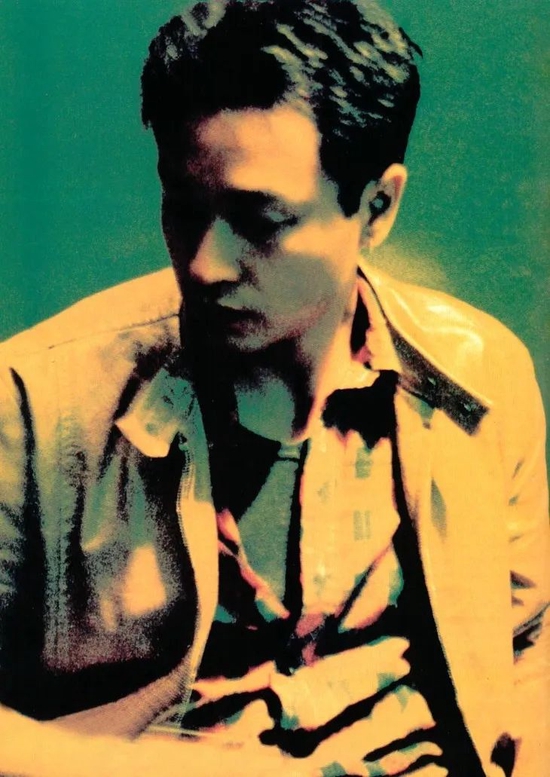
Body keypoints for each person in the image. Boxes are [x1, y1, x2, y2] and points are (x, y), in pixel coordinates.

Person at [0, 1, 547, 775]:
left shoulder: (480, 377)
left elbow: (529, 642)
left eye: (260, 221)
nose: (203, 265)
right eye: (183, 206)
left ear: (377, 208)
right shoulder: (36, 402)